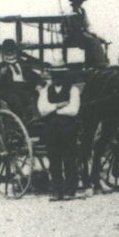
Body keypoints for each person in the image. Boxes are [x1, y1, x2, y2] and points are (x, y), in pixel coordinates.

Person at [35, 69, 82, 200]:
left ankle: (70, 190)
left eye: (60, 75)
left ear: (64, 76)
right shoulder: (45, 91)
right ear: (52, 76)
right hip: (50, 129)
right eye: (55, 75)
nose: (57, 78)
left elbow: (73, 110)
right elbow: (42, 109)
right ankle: (57, 190)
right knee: (54, 159)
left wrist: (53, 110)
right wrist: (59, 105)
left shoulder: (73, 90)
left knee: (69, 158)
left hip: (68, 129)